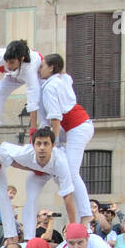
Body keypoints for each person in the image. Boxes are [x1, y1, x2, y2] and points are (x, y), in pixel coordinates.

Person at [37, 54, 94, 225]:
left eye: (42, 66)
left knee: (71, 173)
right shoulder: (63, 78)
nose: (39, 70)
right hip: (78, 126)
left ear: (51, 68)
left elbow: (55, 118)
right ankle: (81, 212)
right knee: (66, 171)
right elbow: (66, 76)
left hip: (77, 127)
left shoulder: (50, 88)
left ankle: (86, 214)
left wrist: (52, 143)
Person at [4, 127, 79, 238]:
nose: (42, 148)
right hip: (36, 173)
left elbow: (67, 195)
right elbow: (3, 149)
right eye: (38, 144)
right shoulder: (25, 152)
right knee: (31, 199)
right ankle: (29, 238)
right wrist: (30, 168)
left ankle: (80, 224)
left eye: (46, 144)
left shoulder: (61, 162)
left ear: (52, 145)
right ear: (33, 146)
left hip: (55, 173)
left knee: (75, 189)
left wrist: (73, 226)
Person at [0, 39, 42, 143]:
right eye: (7, 62)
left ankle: (44, 130)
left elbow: (33, 101)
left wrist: (33, 132)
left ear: (22, 59)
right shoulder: (0, 55)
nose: (8, 65)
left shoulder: (30, 69)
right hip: (14, 75)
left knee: (41, 101)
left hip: (37, 74)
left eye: (12, 62)